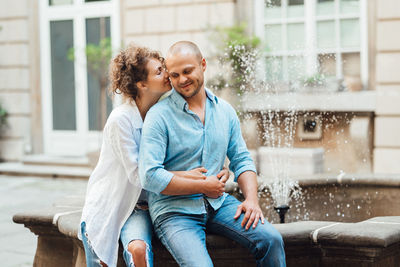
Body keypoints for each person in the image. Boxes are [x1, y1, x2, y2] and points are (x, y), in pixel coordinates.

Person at [79, 44, 229, 267]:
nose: (168, 75)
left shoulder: (161, 112)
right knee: (131, 251)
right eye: (160, 71)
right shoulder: (121, 120)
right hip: (116, 204)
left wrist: (218, 170)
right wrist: (191, 177)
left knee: (141, 249)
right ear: (142, 84)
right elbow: (139, 176)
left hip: (149, 205)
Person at [139, 41, 286, 267]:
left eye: (187, 71)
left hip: (218, 205)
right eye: (175, 75)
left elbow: (242, 160)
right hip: (174, 212)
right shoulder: (159, 115)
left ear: (203, 65)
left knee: (271, 239)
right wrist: (202, 186)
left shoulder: (225, 111)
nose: (182, 80)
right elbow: (149, 175)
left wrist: (252, 200)